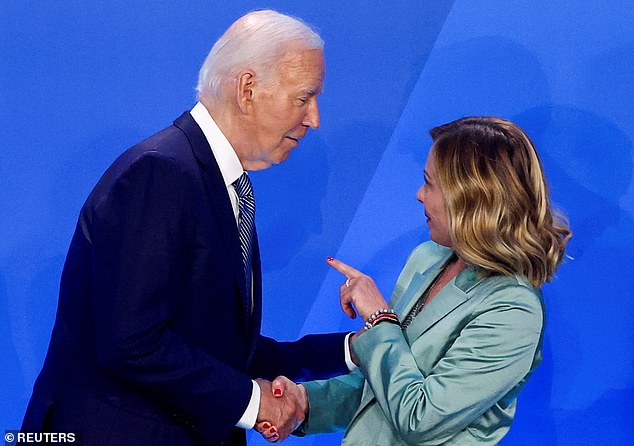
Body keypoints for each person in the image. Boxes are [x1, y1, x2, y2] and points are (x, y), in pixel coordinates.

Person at [21, 10, 355, 445]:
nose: (314, 118)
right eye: (303, 97)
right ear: (247, 89)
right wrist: (253, 404)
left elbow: (220, 351)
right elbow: (131, 341)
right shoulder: (160, 173)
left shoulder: (218, 181)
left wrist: (350, 349)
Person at [256, 117, 572, 445]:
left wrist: (378, 319)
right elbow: (383, 378)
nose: (420, 195)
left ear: (472, 199)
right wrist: (304, 403)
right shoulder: (429, 257)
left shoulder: (513, 310)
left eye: (430, 183)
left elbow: (420, 418)